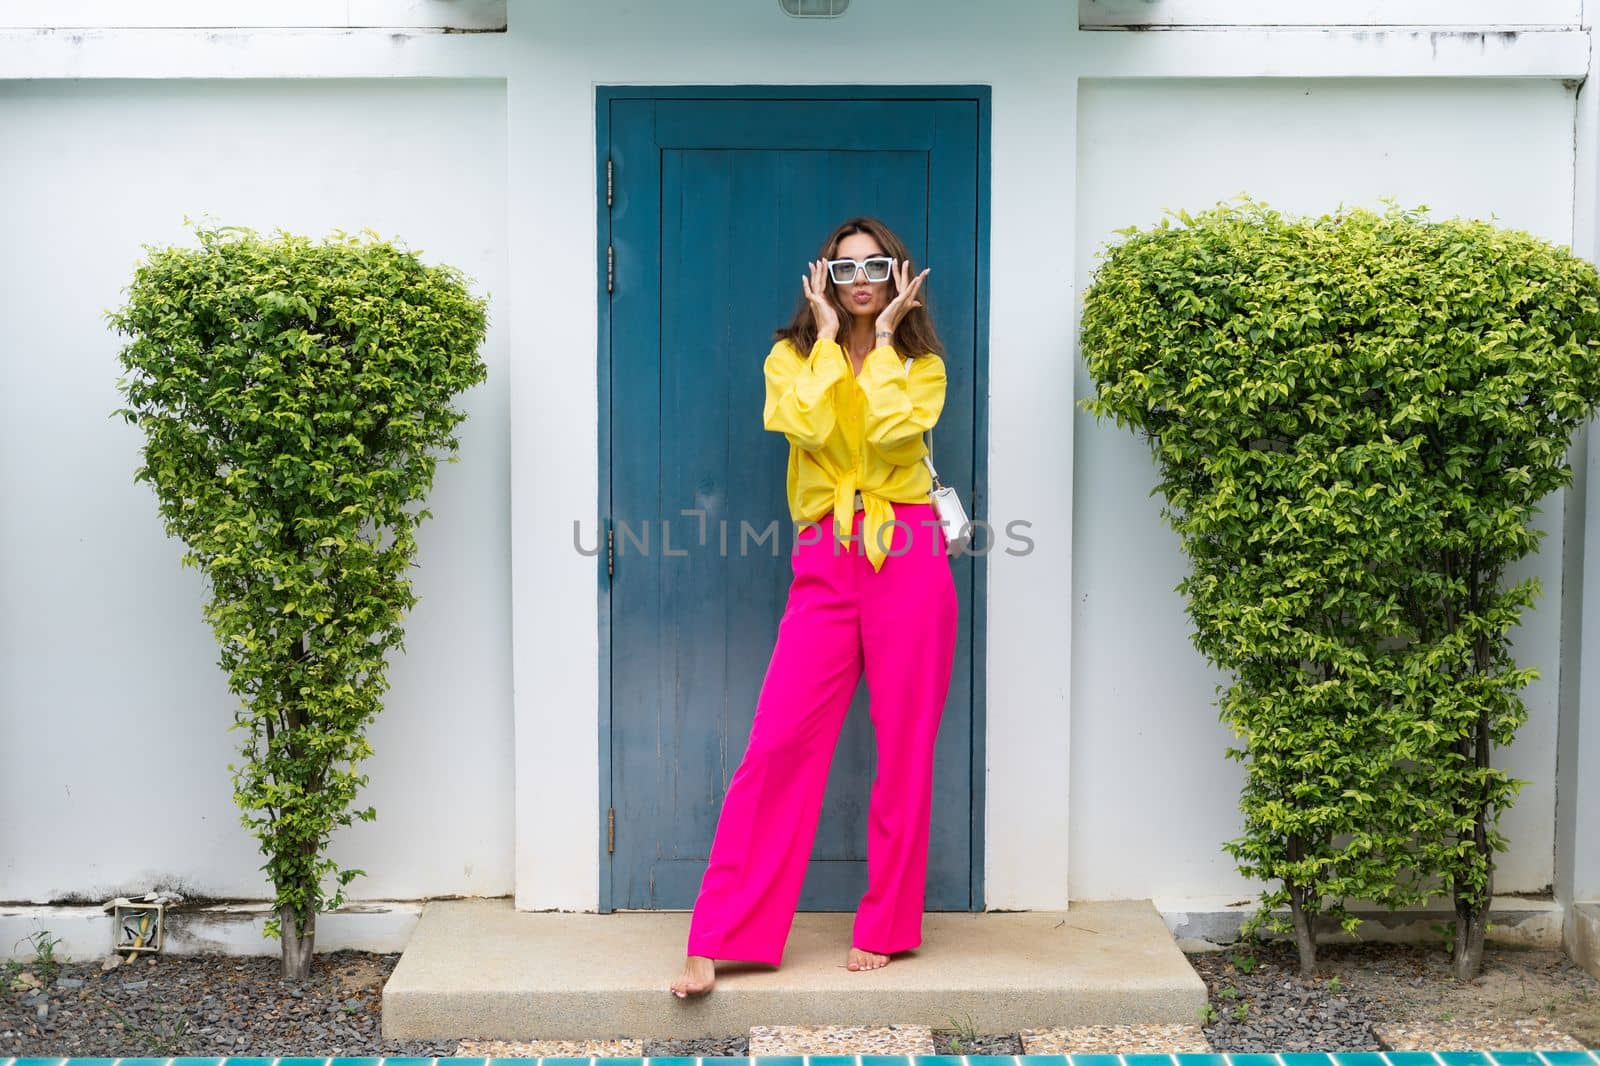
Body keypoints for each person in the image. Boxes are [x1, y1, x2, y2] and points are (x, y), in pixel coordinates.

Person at [669, 217, 959, 999]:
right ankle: (724, 932)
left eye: (875, 266)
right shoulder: (791, 356)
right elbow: (801, 421)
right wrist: (832, 341)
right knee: (779, 743)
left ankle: (888, 927)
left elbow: (899, 431)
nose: (860, 278)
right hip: (827, 552)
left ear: (898, 275)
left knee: (905, 747)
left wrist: (890, 339)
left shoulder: (921, 363)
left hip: (908, 547)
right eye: (844, 268)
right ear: (822, 279)